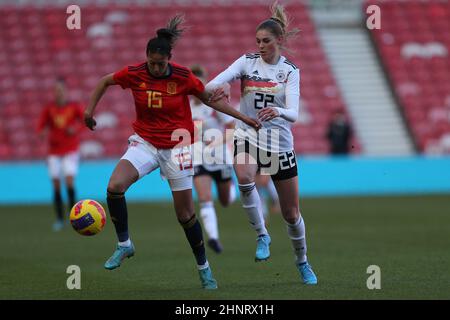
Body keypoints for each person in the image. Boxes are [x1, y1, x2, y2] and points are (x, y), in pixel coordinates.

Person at [83, 15, 260, 290]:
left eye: (160, 63)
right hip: (144, 143)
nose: (155, 68)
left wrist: (243, 118)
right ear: (146, 58)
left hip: (178, 148)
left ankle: (204, 269)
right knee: (115, 186)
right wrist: (88, 111)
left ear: (169, 59)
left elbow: (211, 101)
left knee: (185, 214)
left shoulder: (183, 77)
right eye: (151, 62)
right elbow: (105, 81)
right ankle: (124, 245)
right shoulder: (134, 73)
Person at [206, 2, 318, 284]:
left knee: (291, 214)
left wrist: (278, 111)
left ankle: (302, 262)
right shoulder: (246, 62)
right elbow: (212, 84)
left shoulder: (290, 71)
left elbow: (294, 113)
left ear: (279, 40)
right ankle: (262, 235)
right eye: (257, 41)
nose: (261, 45)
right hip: (248, 134)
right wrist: (219, 90)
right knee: (243, 177)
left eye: (266, 41)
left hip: (278, 143)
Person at [190, 64, 237, 254]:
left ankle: (232, 189)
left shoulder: (214, 103)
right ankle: (213, 238)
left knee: (225, 200)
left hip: (220, 157)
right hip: (199, 158)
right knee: (204, 197)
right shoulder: (186, 107)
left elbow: (232, 129)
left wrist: (217, 141)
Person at [37, 78, 84, 232]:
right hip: (54, 151)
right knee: (56, 184)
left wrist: (75, 129)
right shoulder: (49, 109)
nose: (59, 93)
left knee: (69, 181)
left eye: (61, 90)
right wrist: (42, 132)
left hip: (70, 149)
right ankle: (59, 219)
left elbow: (84, 121)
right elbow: (41, 126)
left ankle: (74, 217)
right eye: (56, 90)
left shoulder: (74, 107)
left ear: (66, 91)